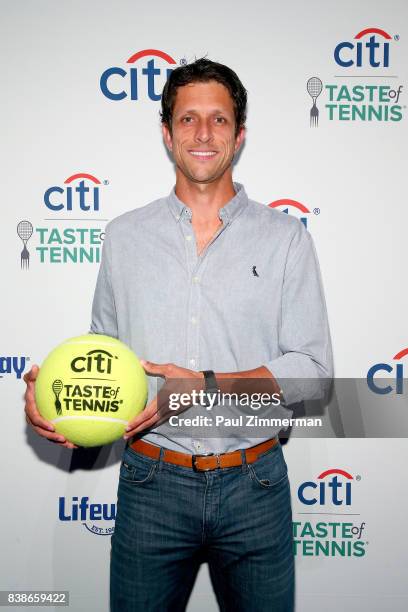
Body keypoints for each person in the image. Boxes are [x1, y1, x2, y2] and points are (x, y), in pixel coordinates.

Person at [24, 58, 333, 611]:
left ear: (239, 136)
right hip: (151, 486)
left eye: (219, 120)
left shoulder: (286, 239)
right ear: (167, 134)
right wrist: (59, 395)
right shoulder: (123, 237)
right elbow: (105, 354)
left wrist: (207, 384)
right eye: (188, 119)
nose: (204, 133)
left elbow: (312, 376)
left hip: (254, 485)